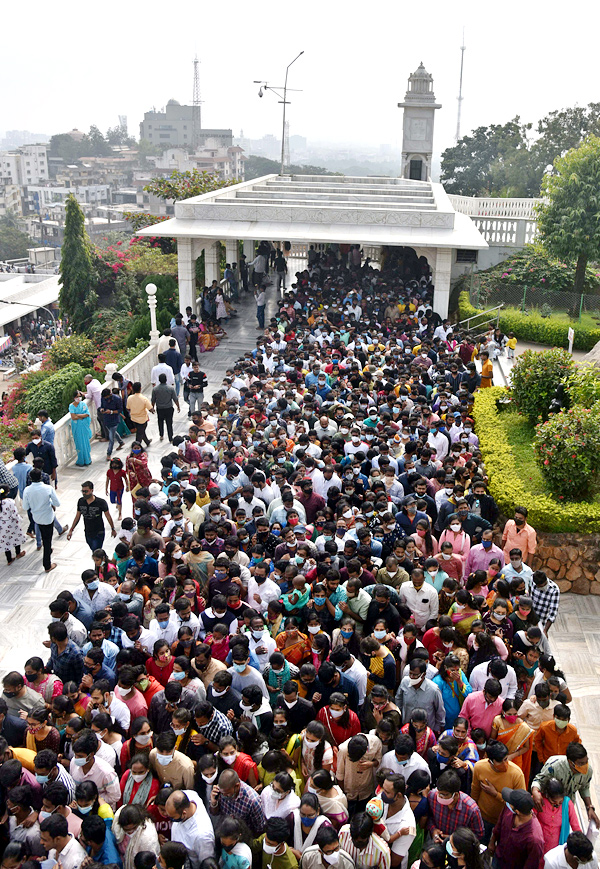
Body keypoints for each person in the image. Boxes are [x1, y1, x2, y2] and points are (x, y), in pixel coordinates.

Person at [488, 787, 545, 869]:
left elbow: (531, 865)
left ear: (517, 811)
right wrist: (492, 842)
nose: (507, 803)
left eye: (510, 802)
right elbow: (499, 825)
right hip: (498, 859)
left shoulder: (534, 839)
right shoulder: (508, 809)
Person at [67, 480, 116, 551]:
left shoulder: (101, 502)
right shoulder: (81, 501)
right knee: (94, 550)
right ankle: (103, 560)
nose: (84, 493)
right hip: (88, 531)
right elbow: (77, 516)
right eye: (82, 491)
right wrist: (71, 530)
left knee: (96, 551)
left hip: (98, 532)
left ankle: (102, 560)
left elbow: (108, 516)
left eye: (86, 491)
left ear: (91, 490)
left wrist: (112, 528)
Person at [0, 484, 26, 566]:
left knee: (5, 541)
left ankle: (9, 559)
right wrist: (20, 519)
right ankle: (18, 553)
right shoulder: (10, 501)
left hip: (1, 524)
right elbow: (14, 514)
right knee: (16, 537)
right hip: (11, 523)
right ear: (7, 492)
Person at [151, 374, 180, 443]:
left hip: (160, 408)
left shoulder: (155, 389)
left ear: (159, 380)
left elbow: (153, 400)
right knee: (169, 423)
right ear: (166, 380)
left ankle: (161, 435)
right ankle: (170, 438)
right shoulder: (170, 388)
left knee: (160, 421)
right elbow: (175, 399)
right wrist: (178, 406)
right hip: (169, 408)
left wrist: (152, 408)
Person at [69, 391, 92, 466]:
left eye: (80, 396)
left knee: (86, 443)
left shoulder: (83, 404)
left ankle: (87, 459)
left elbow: (87, 414)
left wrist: (78, 415)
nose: (79, 398)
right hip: (77, 428)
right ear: (74, 397)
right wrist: (81, 416)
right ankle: (81, 460)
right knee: (79, 443)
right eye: (77, 396)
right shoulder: (71, 406)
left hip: (84, 427)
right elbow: (73, 417)